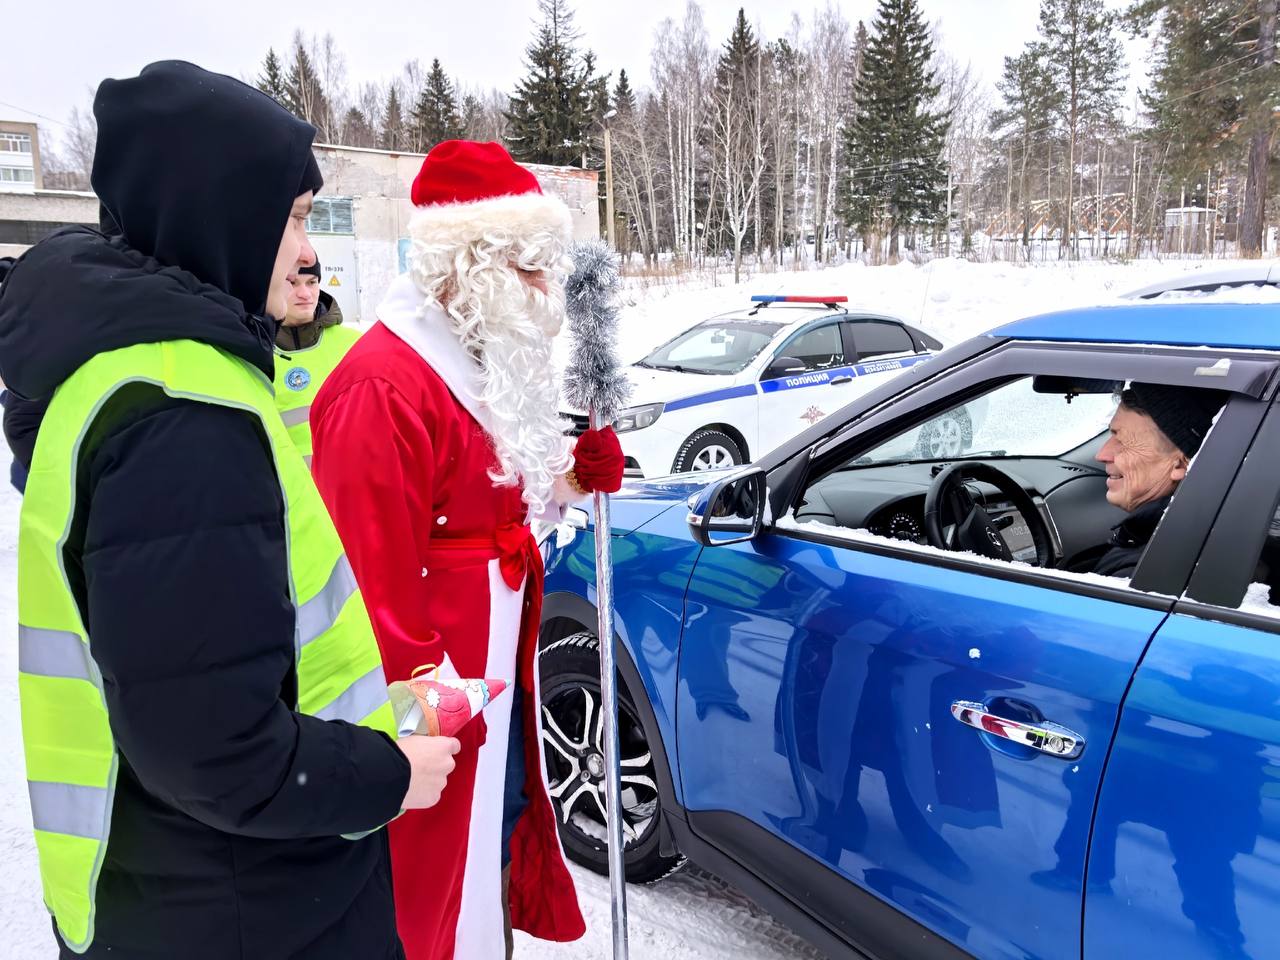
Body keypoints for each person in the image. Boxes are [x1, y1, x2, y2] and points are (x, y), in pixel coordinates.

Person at [0, 61, 459, 959]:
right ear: (222, 212)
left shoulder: (144, 378)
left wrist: (359, 713)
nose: (307, 250)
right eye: (291, 217)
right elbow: (214, 748)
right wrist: (384, 772)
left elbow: (205, 668)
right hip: (241, 909)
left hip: (186, 892)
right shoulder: (182, 419)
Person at [310, 140, 623, 959]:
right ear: (465, 265)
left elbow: (483, 494)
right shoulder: (385, 383)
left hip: (490, 671)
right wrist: (423, 725)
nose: (545, 294)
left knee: (491, 842)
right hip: (436, 698)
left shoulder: (474, 360)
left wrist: (564, 481)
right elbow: (369, 584)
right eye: (527, 270)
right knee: (430, 883)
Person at [1093, 381, 1225, 577]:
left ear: (1180, 463)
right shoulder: (1211, 530)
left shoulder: (1142, 573)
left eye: (1121, 440)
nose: (1101, 454)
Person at [275, 258, 361, 466]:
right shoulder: (255, 350)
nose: (305, 294)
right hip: (286, 492)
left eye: (312, 282)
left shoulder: (354, 344)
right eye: (293, 283)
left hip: (344, 487)